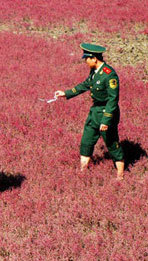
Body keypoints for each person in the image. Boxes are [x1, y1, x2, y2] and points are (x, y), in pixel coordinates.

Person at [55, 43, 124, 180]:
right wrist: (66, 93)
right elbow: (85, 85)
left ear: (94, 59)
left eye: (86, 59)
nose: (85, 62)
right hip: (94, 112)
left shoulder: (109, 75)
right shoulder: (95, 72)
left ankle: (120, 175)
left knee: (112, 144)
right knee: (86, 141)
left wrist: (106, 120)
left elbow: (113, 100)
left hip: (106, 113)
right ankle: (82, 173)